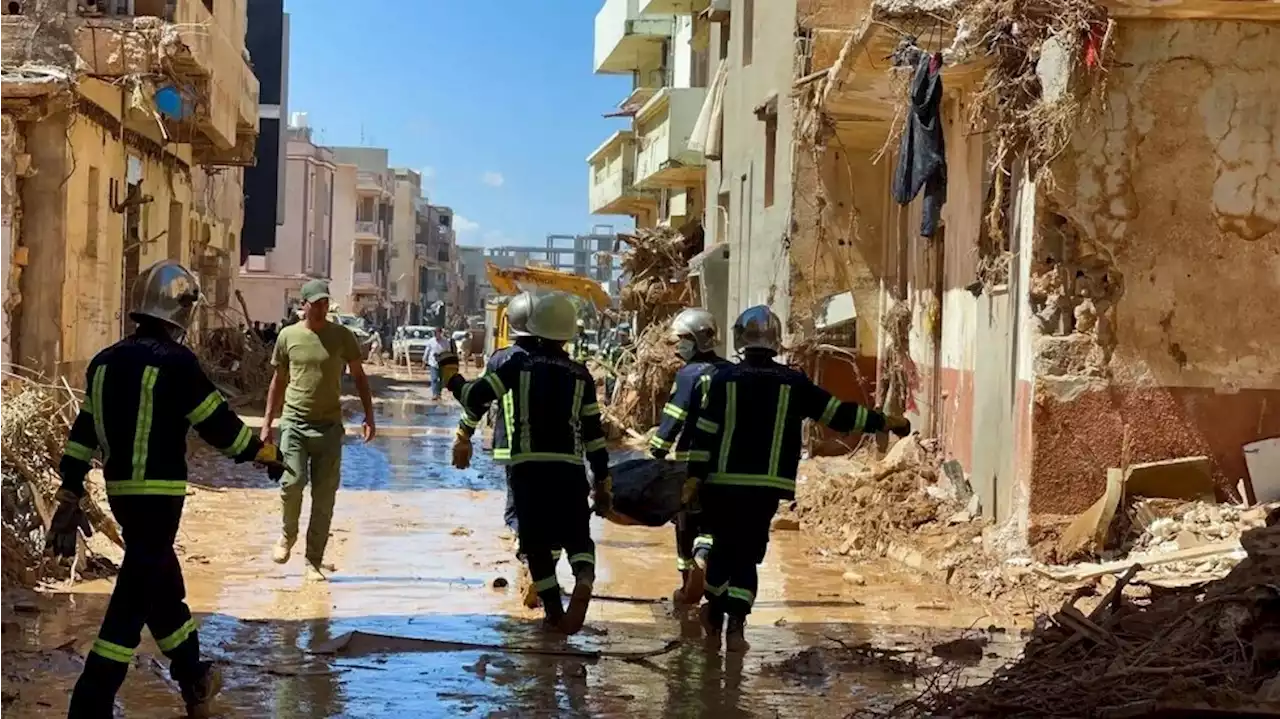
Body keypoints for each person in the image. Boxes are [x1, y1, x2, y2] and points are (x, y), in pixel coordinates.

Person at [49, 260, 286, 718]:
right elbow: (219, 425)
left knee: (161, 586)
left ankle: (194, 676)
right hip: (160, 499)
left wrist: (70, 491)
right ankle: (91, 700)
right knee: (132, 598)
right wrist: (262, 454)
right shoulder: (177, 363)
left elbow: (83, 433)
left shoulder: (102, 363)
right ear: (181, 311)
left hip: (120, 495)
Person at [688, 305, 911, 653]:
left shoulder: (722, 381)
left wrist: (693, 478)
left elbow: (703, 434)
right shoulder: (793, 383)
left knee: (722, 550)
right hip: (766, 489)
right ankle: (737, 627)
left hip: (722, 484)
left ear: (740, 340)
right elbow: (838, 415)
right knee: (747, 555)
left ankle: (714, 616)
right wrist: (884, 421)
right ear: (776, 342)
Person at [441, 293, 610, 633]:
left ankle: (553, 614)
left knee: (533, 540)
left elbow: (475, 398)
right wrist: (602, 481)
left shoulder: (515, 363)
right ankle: (585, 577)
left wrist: (451, 377)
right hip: (570, 467)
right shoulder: (580, 374)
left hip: (527, 467)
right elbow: (594, 434)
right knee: (577, 534)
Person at [261, 279, 377, 582]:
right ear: (305, 305)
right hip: (294, 423)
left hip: (329, 428)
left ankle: (314, 560)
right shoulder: (288, 336)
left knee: (324, 497)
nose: (322, 307)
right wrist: (267, 424)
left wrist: (369, 416)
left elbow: (360, 378)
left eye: (326, 302)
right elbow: (278, 381)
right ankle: (287, 536)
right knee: (292, 483)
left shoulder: (342, 336)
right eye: (317, 302)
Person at [449, 293, 560, 608]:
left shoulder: (503, 359)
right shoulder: (563, 362)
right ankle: (545, 566)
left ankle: (529, 559)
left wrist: (463, 435)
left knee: (519, 510)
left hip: (515, 450)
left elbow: (478, 401)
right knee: (552, 514)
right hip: (560, 455)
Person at [647, 308, 731, 607]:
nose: (678, 346)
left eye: (682, 339)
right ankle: (705, 561)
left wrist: (656, 451)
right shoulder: (730, 372)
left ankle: (687, 585)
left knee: (685, 521)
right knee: (713, 522)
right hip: (724, 463)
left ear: (697, 340)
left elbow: (674, 416)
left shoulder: (689, 374)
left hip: (688, 459)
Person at [422, 326, 448, 400]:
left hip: (442, 363)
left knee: (441, 379)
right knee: (434, 379)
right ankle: (435, 394)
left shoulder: (445, 342)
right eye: (436, 333)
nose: (437, 335)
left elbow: (448, 352)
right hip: (433, 363)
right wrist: (424, 362)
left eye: (438, 333)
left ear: (441, 333)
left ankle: (439, 393)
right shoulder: (431, 341)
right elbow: (427, 352)